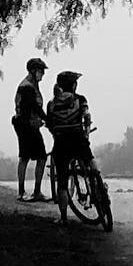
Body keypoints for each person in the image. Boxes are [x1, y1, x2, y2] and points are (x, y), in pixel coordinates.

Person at [44, 69, 96, 225]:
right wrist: (86, 132)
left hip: (61, 143)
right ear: (73, 86)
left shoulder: (51, 104)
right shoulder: (80, 99)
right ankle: (98, 183)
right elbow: (87, 116)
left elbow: (50, 125)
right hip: (78, 139)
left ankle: (63, 217)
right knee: (90, 160)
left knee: (62, 181)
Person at [12, 57, 49, 201]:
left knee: (38, 157)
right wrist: (46, 120)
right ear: (33, 71)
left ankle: (35, 191)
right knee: (27, 157)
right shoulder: (27, 86)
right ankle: (23, 192)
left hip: (29, 124)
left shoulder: (32, 84)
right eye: (41, 71)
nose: (43, 74)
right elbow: (34, 107)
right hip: (26, 125)